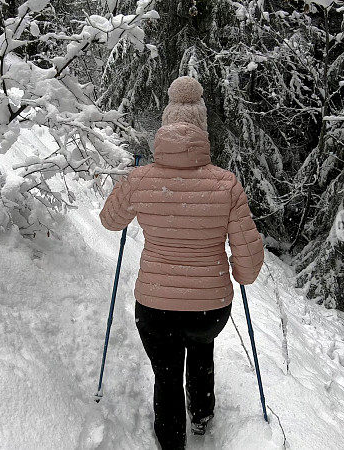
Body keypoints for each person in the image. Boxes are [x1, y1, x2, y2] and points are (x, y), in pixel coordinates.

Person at [99, 75, 264, 449]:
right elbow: (249, 259)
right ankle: (202, 414)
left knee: (167, 373)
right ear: (202, 130)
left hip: (155, 305)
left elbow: (110, 221)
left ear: (164, 126)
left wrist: (131, 186)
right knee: (201, 350)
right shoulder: (226, 184)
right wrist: (240, 273)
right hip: (210, 305)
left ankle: (172, 441)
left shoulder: (140, 178)